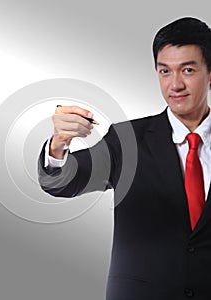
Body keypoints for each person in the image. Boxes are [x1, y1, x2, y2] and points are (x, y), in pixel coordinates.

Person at [38, 17, 211, 300]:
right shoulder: (127, 141)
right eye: (164, 71)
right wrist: (59, 145)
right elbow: (63, 182)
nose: (175, 84)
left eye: (188, 70)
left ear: (209, 72)